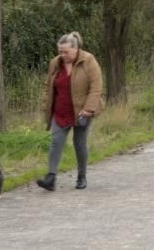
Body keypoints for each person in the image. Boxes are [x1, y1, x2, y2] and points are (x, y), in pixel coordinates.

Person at [36, 31, 104, 191]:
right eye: (60, 51)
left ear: (76, 49)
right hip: (60, 110)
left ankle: (81, 176)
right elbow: (47, 86)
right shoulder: (55, 63)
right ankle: (50, 178)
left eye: (66, 51)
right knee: (55, 143)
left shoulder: (89, 61)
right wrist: (46, 104)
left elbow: (96, 87)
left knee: (79, 144)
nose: (62, 54)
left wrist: (89, 109)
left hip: (81, 112)